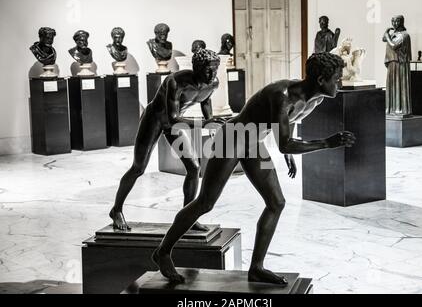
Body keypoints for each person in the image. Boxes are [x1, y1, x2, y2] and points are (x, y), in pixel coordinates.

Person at [152, 52, 356, 285]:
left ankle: (256, 268)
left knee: (276, 203)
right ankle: (163, 251)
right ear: (321, 80)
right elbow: (284, 143)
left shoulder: (316, 99)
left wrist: (289, 148)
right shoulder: (283, 96)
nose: (339, 84)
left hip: (254, 142)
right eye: (336, 79)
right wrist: (326, 143)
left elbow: (287, 128)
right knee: (205, 202)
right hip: (233, 137)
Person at [109, 49, 226, 231]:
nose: (212, 75)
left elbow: (206, 102)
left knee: (194, 168)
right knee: (138, 168)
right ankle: (116, 210)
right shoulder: (175, 82)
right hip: (155, 119)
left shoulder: (213, 83)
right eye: (208, 70)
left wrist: (211, 124)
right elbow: (172, 118)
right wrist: (205, 123)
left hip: (174, 123)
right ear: (196, 68)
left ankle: (188, 217)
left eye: (215, 70)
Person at [383, 15, 412, 116]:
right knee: (391, 85)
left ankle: (400, 109)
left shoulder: (404, 35)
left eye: (397, 22)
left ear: (402, 22)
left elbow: (394, 46)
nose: (394, 24)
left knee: (399, 85)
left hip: (400, 63)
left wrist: (387, 35)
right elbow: (383, 38)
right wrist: (387, 33)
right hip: (392, 62)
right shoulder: (395, 34)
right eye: (393, 22)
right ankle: (391, 109)